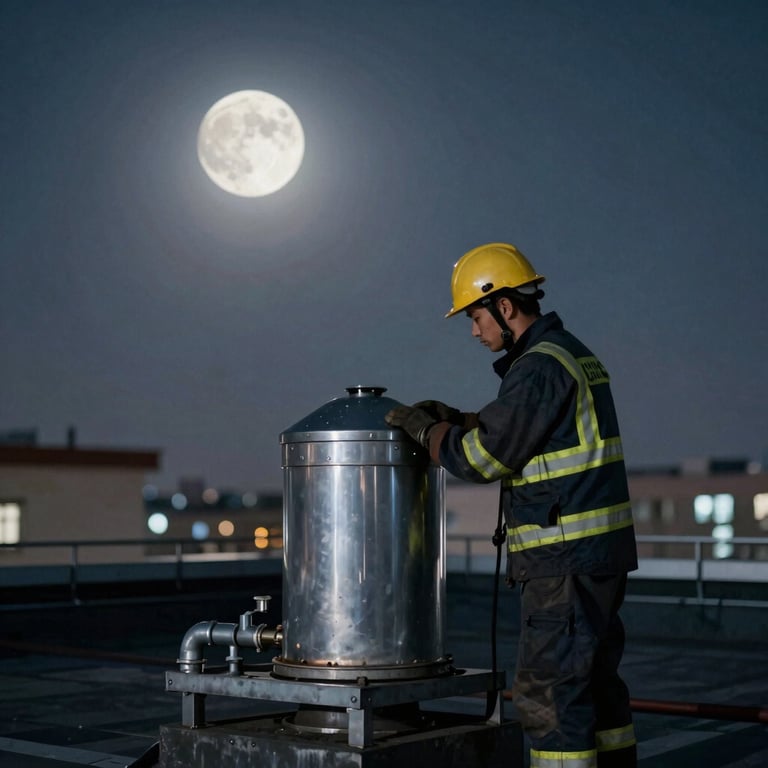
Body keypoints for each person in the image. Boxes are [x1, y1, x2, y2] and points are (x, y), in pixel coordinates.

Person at [385, 242, 638, 768]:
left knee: (550, 696)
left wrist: (428, 431)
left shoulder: (538, 368)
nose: (475, 332)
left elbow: (482, 460)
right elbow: (534, 431)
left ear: (503, 306)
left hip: (562, 562)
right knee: (596, 689)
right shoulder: (569, 354)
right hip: (596, 558)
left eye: (475, 317)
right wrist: (459, 417)